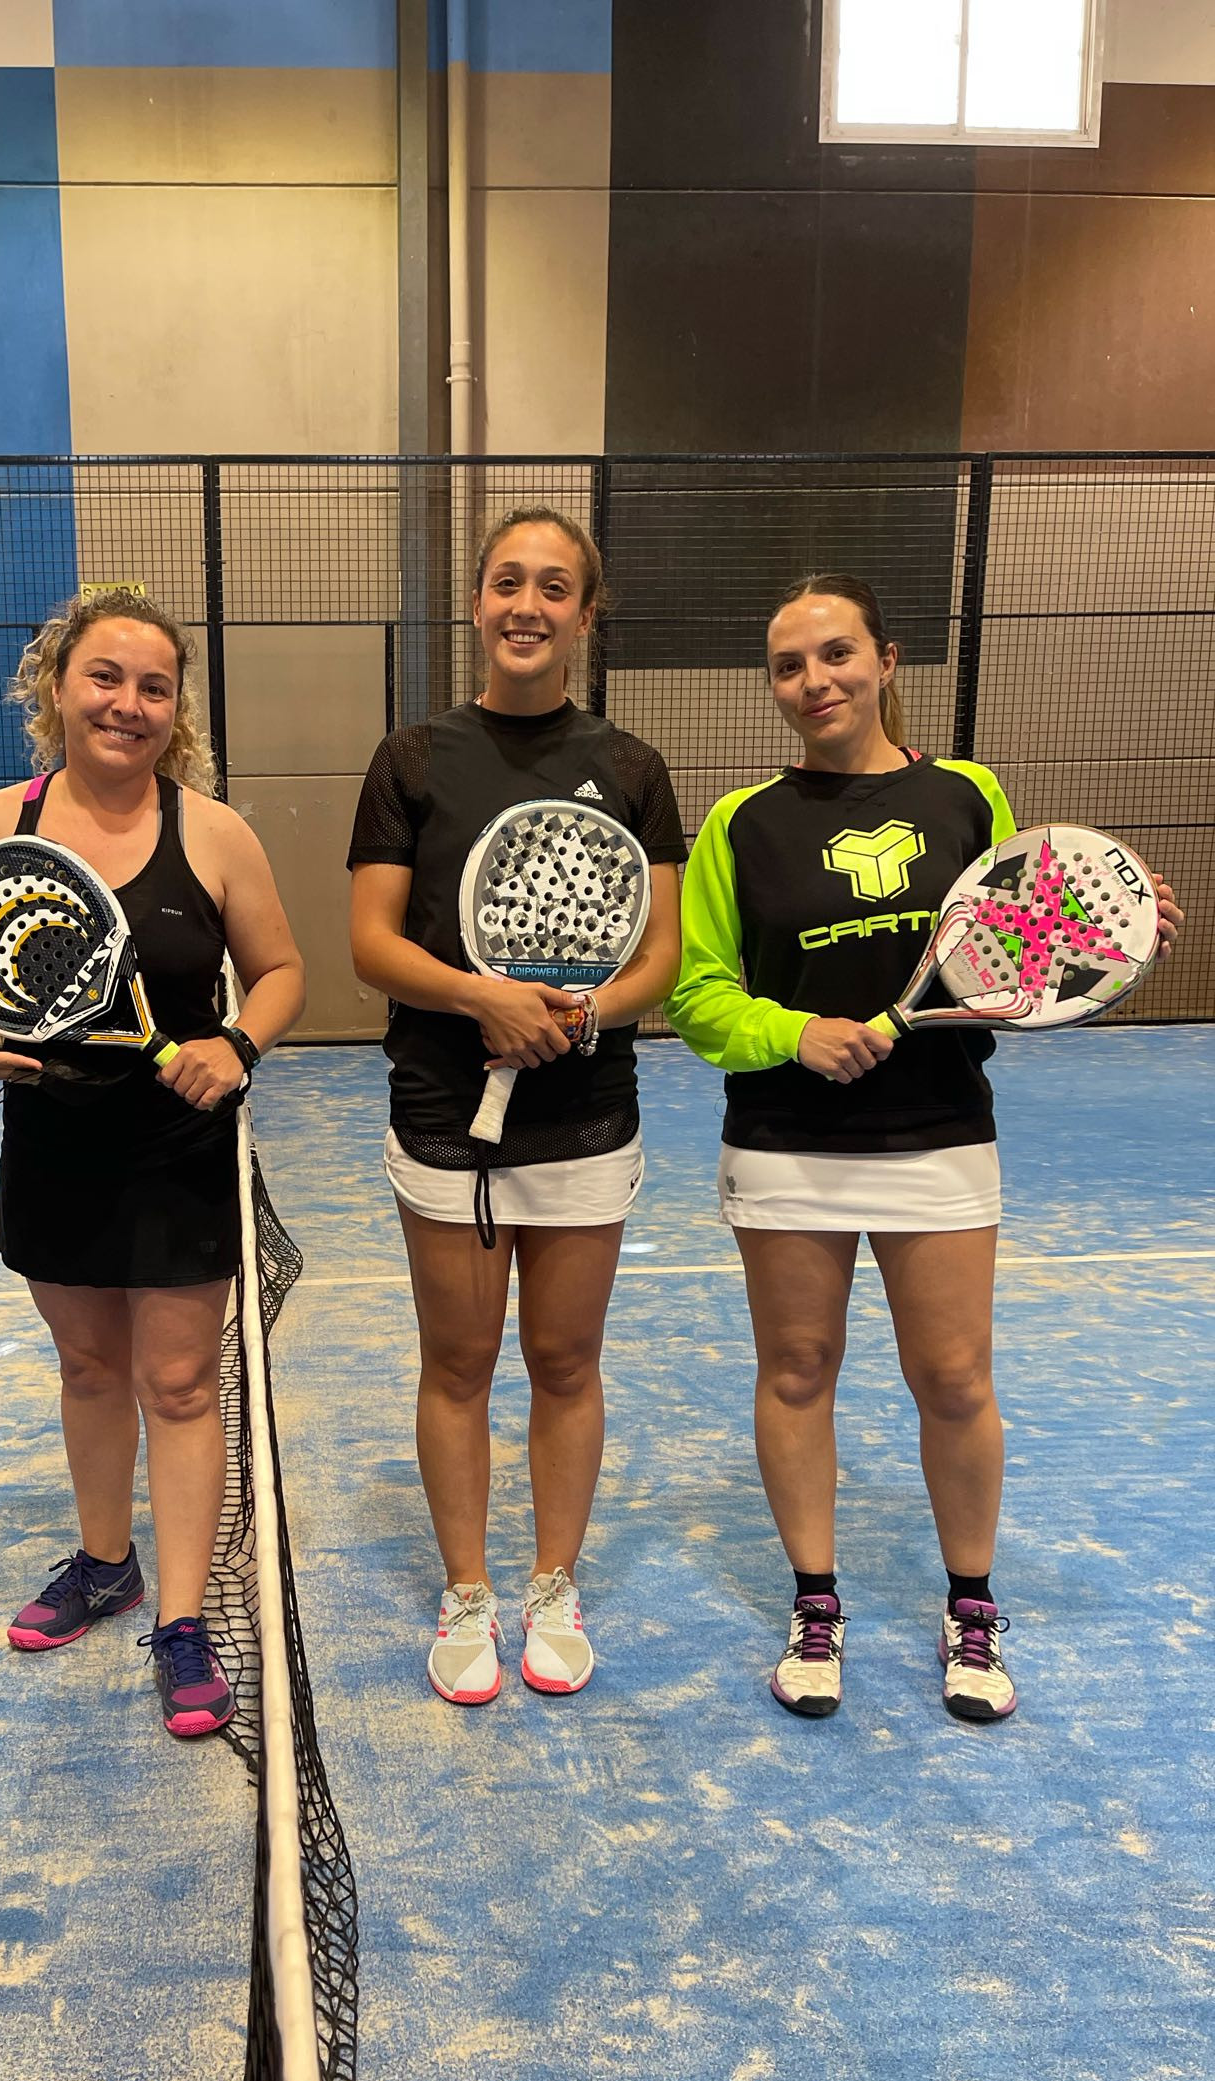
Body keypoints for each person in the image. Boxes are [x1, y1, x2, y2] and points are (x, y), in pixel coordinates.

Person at [666, 572, 1184, 1723]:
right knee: (797, 1371)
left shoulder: (966, 794)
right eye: (790, 666)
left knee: (953, 1379)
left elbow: (1023, 929)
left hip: (939, 1135)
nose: (815, 681)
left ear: (887, 660)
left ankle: (972, 1606)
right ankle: (815, 1602)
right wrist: (796, 1034)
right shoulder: (741, 825)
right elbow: (699, 997)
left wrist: (1113, 916)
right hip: (787, 1144)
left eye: (837, 654)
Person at [0, 589, 304, 1740]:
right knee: (88, 1368)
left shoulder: (215, 834)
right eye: (104, 677)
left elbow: (283, 973)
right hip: (52, 1143)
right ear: (57, 687)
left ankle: (182, 1622)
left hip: (181, 1147)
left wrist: (237, 1045)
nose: (127, 704)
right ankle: (104, 1563)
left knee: (179, 1385)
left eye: (153, 686)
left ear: (176, 709)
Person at [348, 507, 686, 1705]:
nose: (526, 605)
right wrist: (481, 998)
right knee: (458, 1361)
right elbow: (373, 944)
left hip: (586, 1118)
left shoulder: (634, 769)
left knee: (564, 1359)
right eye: (506, 582)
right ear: (477, 602)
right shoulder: (412, 759)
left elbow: (657, 957)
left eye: (553, 587)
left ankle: (552, 1585)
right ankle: (466, 1592)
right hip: (447, 1114)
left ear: (586, 614)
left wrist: (581, 1019)